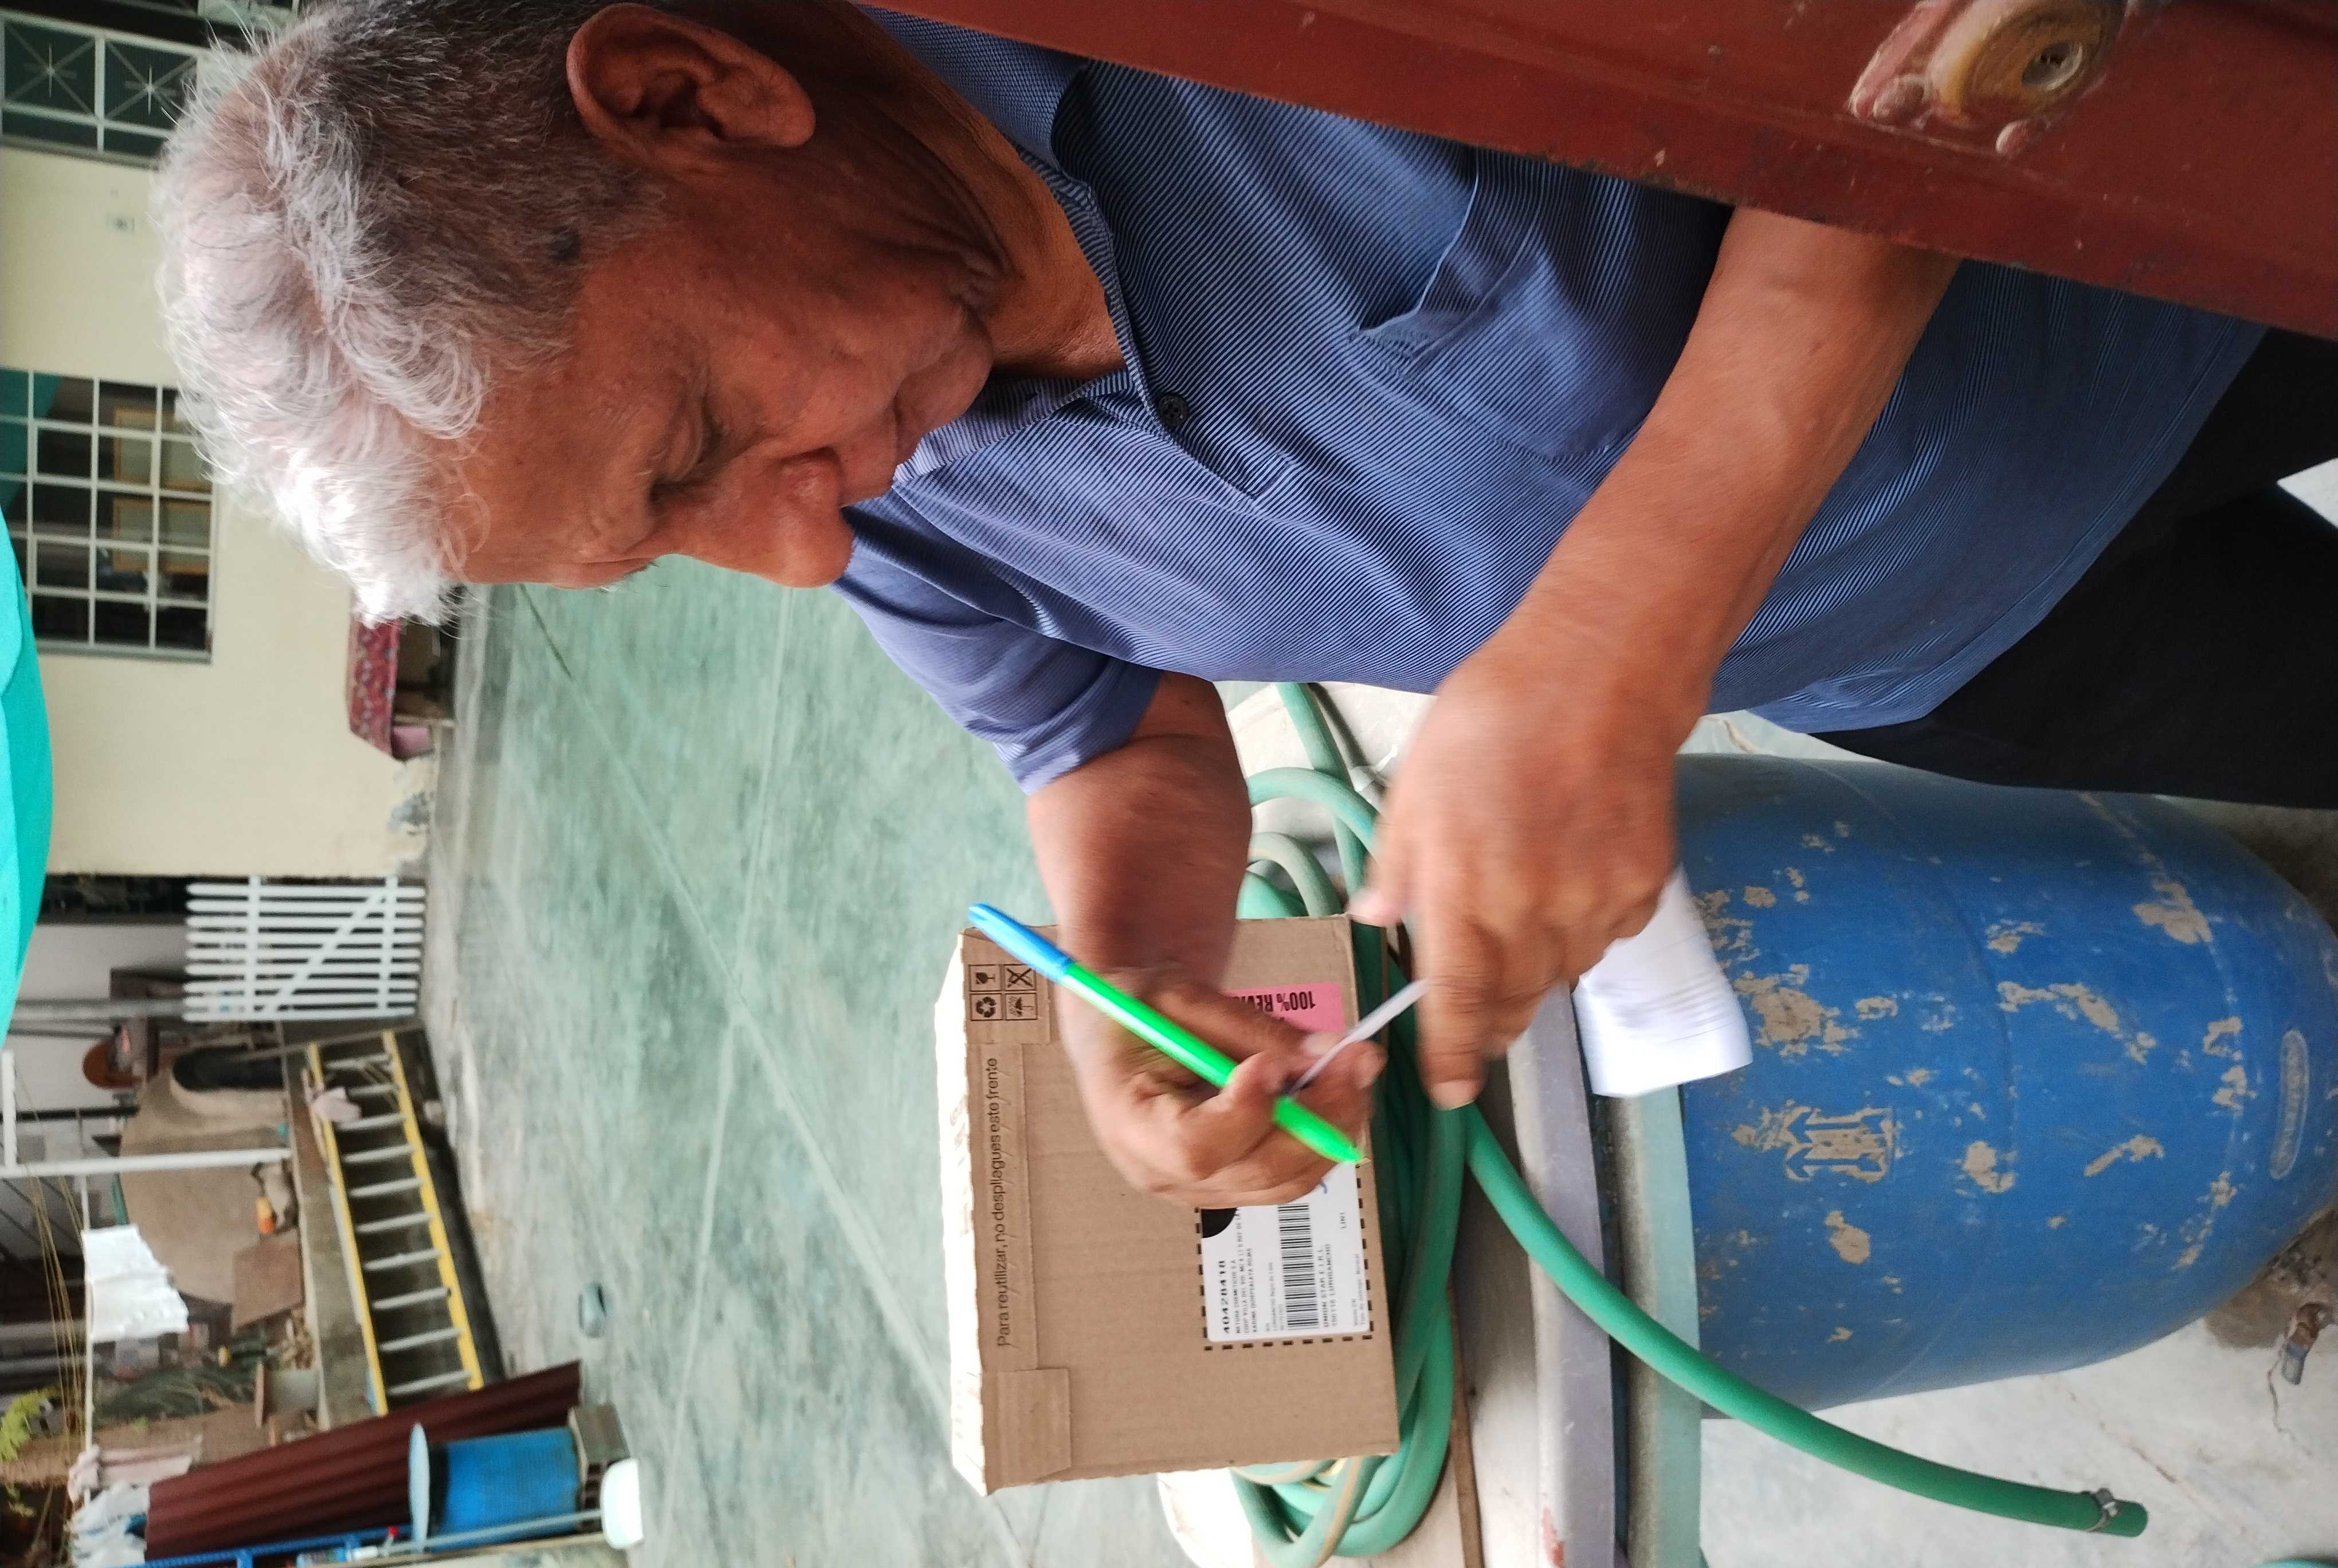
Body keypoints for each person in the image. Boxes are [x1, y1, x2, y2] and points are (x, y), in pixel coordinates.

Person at [155, 0, 2337, 1209]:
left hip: (2190, 249)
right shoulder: (878, 474)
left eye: (697, 442)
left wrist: (1610, 644)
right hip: (1948, 648)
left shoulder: (1233, 36)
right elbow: (1096, 730)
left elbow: (1908, 52)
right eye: (672, 543)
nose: (802, 551)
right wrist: (1133, 976)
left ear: (692, 96)